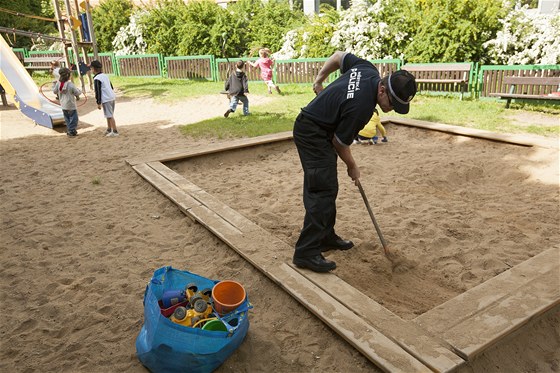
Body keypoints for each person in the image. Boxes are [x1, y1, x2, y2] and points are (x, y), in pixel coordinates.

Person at [292, 51, 417, 273]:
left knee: (329, 186)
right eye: (392, 104)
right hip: (311, 132)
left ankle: (325, 237)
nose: (391, 110)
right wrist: (352, 166)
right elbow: (340, 143)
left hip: (322, 128)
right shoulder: (361, 107)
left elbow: (339, 56)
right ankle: (306, 251)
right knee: (321, 189)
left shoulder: (368, 70)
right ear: (382, 89)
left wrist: (319, 79)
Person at [90, 60, 119, 137]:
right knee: (108, 114)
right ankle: (109, 129)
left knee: (109, 115)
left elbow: (98, 91)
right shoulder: (105, 76)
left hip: (106, 99)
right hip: (111, 97)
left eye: (91, 69)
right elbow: (111, 86)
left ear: (93, 69)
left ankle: (115, 131)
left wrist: (98, 102)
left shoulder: (97, 79)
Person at [52, 67, 82, 137]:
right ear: (68, 75)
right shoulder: (70, 84)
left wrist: (53, 85)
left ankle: (71, 130)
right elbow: (77, 92)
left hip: (63, 105)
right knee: (74, 119)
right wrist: (80, 91)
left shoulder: (58, 83)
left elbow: (54, 91)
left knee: (67, 119)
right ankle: (71, 131)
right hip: (71, 105)